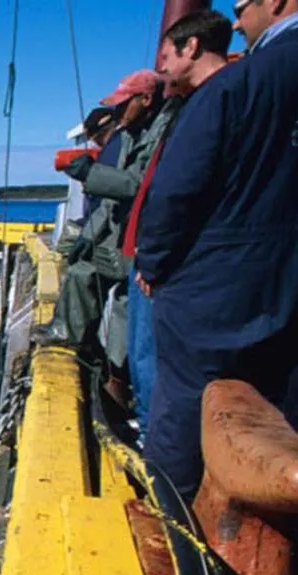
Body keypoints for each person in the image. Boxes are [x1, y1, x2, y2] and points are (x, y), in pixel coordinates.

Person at [135, 0, 298, 499]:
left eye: (242, 6)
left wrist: (153, 262)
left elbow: (175, 191)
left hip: (222, 288)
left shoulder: (241, 83)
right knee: (291, 409)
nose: (237, 20)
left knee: (183, 407)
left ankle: (170, 531)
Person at [125, 10, 232, 434]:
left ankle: (161, 457)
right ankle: (156, 440)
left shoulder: (212, 101)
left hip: (166, 266)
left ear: (192, 48)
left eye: (167, 56)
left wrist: (153, 260)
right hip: (150, 258)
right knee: (144, 358)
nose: (161, 67)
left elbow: (176, 191)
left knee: (158, 364)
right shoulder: (189, 107)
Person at [40, 69, 167, 351]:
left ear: (146, 99)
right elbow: (111, 200)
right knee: (83, 273)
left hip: (144, 241)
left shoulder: (160, 133)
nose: (118, 109)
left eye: (124, 103)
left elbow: (141, 185)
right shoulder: (132, 136)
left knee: (128, 313)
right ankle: (71, 336)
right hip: (125, 237)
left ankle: (114, 372)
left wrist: (91, 174)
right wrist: (89, 236)